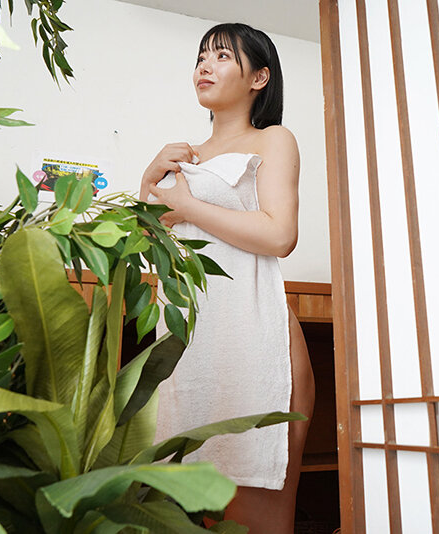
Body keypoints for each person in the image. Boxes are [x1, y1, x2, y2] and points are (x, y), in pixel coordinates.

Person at [140, 22, 315, 534]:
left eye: (221, 56)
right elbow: (151, 242)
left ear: (259, 77)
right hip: (193, 343)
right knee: (195, 510)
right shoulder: (182, 157)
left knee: (257, 510)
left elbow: (280, 234)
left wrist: (188, 204)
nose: (205, 65)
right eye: (202, 56)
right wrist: (148, 179)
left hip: (255, 338)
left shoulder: (273, 139)